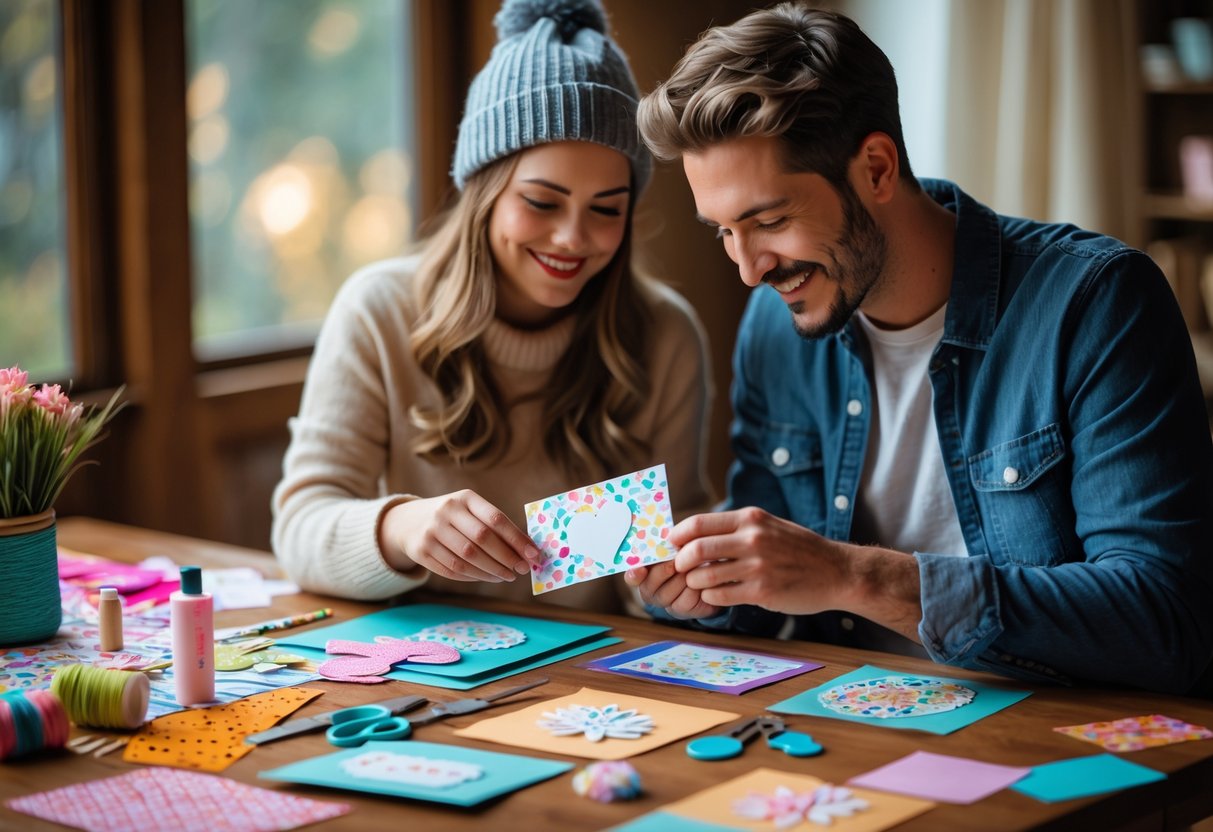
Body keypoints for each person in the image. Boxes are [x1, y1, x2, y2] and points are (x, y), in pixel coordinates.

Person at [626, 3, 1213, 694]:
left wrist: (855, 576)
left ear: (875, 168)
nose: (749, 268)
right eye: (722, 231)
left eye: (770, 221)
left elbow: (1165, 624)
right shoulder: (772, 326)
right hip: (842, 734)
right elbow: (774, 609)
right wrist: (711, 593)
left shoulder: (1096, 303)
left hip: (1052, 743)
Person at [272, 0, 712, 614]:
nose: (572, 238)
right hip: (412, 669)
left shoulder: (666, 336)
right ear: (483, 192)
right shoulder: (378, 310)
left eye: (607, 208)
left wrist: (681, 590)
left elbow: (666, 558)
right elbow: (299, 528)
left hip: (589, 684)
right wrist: (400, 530)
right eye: (541, 201)